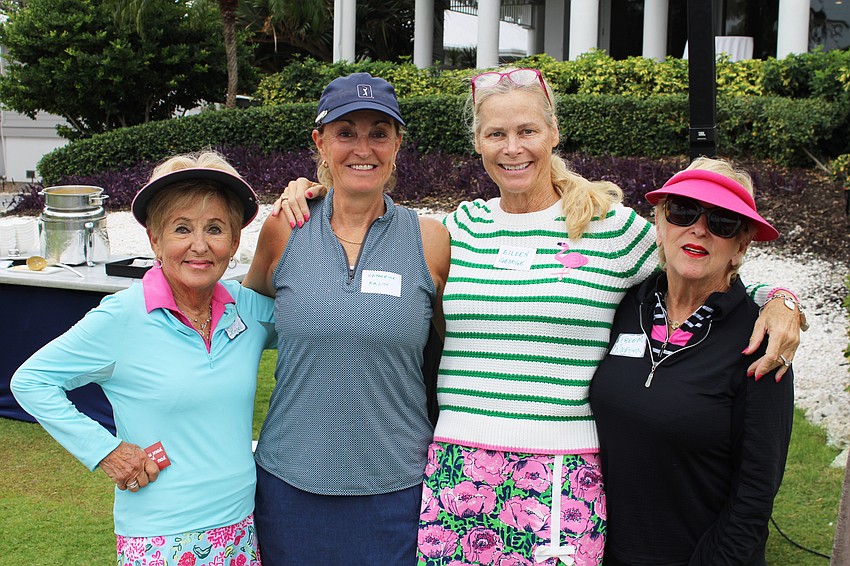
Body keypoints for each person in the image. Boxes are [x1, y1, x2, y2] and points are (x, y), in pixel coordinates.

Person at [275, 68, 804, 565]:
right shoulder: (460, 229)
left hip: (557, 476)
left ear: (553, 134)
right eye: (496, 134)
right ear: (478, 143)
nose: (513, 148)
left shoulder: (610, 228)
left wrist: (780, 299)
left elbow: (702, 262)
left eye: (527, 130)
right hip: (454, 469)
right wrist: (313, 194)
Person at [12, 152, 276, 566]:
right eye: (182, 228)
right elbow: (31, 381)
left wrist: (313, 199)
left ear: (235, 242)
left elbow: (324, 327)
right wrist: (107, 451)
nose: (200, 245)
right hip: (159, 539)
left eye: (215, 228)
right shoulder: (122, 317)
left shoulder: (247, 308)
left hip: (242, 527)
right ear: (154, 239)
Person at [241, 72, 450, 564]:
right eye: (345, 132)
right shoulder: (284, 228)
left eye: (379, 132)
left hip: (396, 487)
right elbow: (242, 327)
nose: (363, 148)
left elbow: (459, 347)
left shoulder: (430, 240)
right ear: (320, 142)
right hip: (290, 482)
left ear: (397, 144)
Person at [589, 158, 795, 565]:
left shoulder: (760, 339)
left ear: (741, 246)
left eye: (723, 222)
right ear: (660, 224)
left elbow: (755, 493)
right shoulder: (625, 306)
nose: (699, 228)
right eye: (683, 211)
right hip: (601, 552)